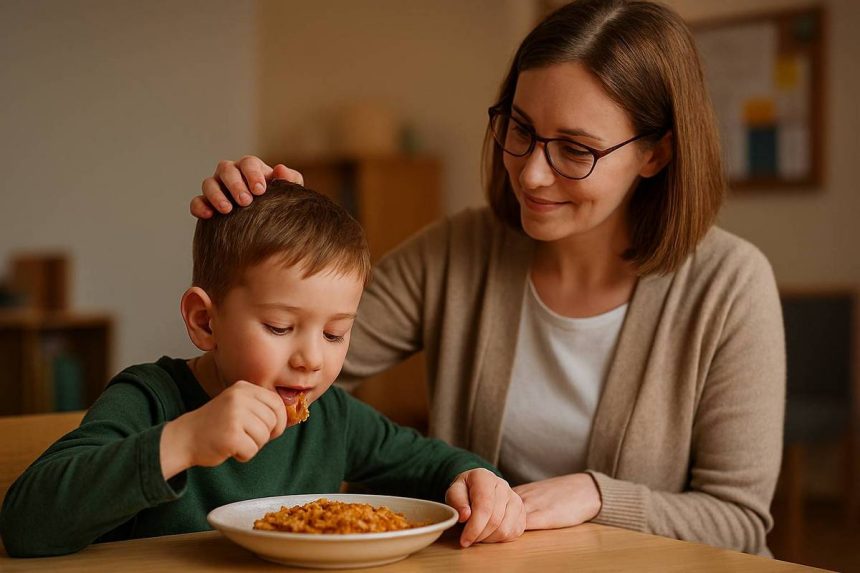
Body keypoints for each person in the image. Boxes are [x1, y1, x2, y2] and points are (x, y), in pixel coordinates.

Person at [190, 0, 785, 557]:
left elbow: (738, 520)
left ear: (656, 154)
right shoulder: (456, 252)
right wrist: (261, 244)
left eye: (575, 150)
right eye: (520, 130)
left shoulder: (730, 285)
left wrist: (596, 496)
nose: (531, 175)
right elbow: (275, 366)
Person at [0, 182, 525, 558]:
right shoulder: (150, 398)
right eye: (279, 327)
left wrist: (475, 478)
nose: (311, 359)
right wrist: (182, 441)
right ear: (205, 321)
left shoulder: (331, 415)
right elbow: (26, 525)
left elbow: (431, 462)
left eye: (335, 333)